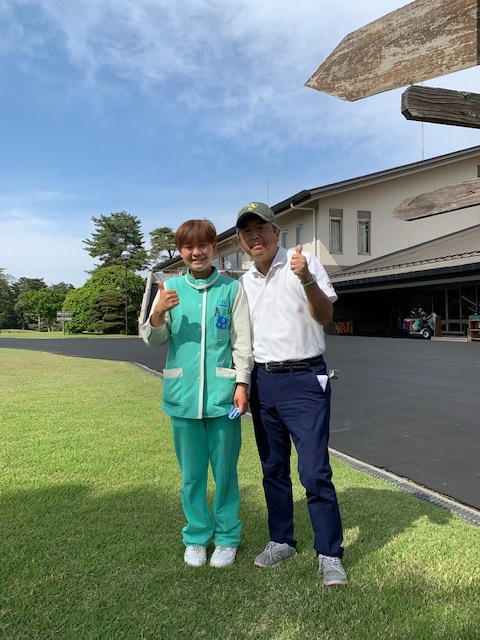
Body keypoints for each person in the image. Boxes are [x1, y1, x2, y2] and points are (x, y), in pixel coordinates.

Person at [235, 201, 347, 586]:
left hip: (305, 378)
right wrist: (242, 383)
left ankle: (329, 552)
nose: (255, 237)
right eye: (247, 232)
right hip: (263, 381)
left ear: (276, 231)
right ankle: (282, 540)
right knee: (273, 468)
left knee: (314, 470)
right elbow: (242, 340)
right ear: (241, 239)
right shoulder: (244, 284)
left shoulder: (304, 262)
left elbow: (325, 317)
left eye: (261, 228)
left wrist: (307, 280)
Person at [141, 219, 253, 569]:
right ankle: (196, 536)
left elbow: (242, 342)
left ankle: (227, 537)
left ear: (214, 248)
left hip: (223, 398)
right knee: (191, 475)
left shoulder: (231, 289)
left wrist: (242, 383)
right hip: (183, 396)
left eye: (203, 245)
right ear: (181, 251)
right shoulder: (170, 288)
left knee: (225, 473)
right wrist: (159, 312)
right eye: (188, 247)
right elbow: (154, 339)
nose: (196, 252)